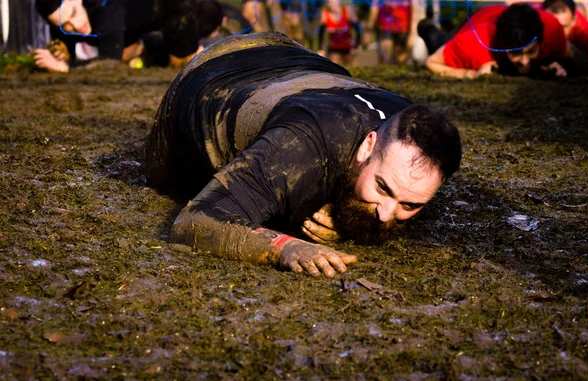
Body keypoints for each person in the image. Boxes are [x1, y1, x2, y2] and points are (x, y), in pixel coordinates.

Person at [145, 32, 462, 278]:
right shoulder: (298, 148)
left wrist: (350, 219)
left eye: (410, 205)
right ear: (367, 145)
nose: (386, 213)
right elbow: (193, 222)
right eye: (383, 188)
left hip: (302, 60)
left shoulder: (413, 132)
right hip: (214, 68)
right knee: (160, 174)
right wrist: (287, 246)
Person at [33, 0, 200, 73]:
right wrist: (62, 53)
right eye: (65, 25)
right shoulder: (62, 18)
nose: (76, 26)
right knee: (123, 49)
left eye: (74, 14)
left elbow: (110, 62)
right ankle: (140, 48)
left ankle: (196, 50)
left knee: (181, 67)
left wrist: (65, 67)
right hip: (134, 26)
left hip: (175, 10)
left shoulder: (107, 12)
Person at [425, 3, 573, 79]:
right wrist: (470, 74)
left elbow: (570, 57)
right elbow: (431, 62)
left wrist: (562, 65)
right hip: (474, 22)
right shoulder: (475, 43)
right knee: (439, 42)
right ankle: (429, 29)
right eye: (516, 53)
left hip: (500, 12)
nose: (525, 61)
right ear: (501, 44)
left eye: (531, 51)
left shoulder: (552, 29)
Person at [364, 0, 420, 64]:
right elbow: (374, 8)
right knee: (385, 61)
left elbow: (415, 10)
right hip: (385, 29)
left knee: (400, 61)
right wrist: (368, 31)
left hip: (403, 29)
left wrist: (413, 34)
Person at [542, 0, 588, 64]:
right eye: (551, 26)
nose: (556, 33)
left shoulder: (585, 31)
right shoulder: (536, 23)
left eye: (563, 27)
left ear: (574, 21)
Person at [317, 0, 361, 66]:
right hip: (334, 48)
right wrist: (320, 49)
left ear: (339, 2)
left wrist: (356, 45)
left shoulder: (346, 12)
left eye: (334, 2)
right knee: (334, 67)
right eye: (330, 2)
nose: (332, 4)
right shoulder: (325, 15)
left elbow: (358, 29)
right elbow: (321, 33)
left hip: (348, 48)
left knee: (352, 68)